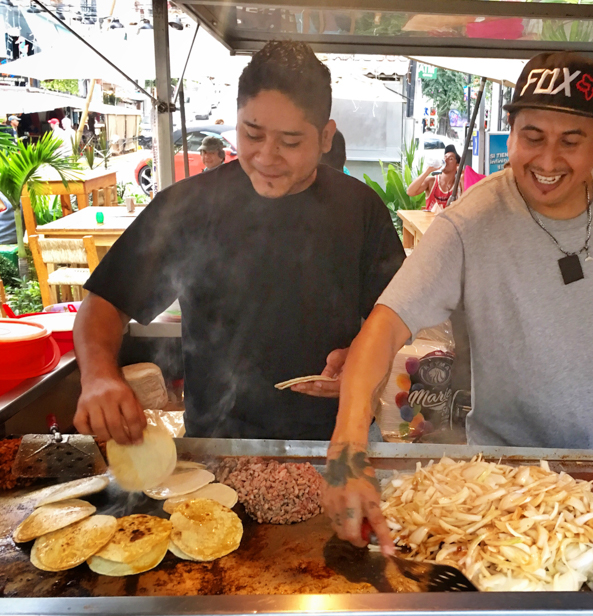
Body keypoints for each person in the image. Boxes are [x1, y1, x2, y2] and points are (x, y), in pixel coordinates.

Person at [322, 52, 593, 554]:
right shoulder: (468, 224)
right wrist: (347, 454)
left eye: (571, 141)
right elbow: (383, 328)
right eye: (532, 137)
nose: (548, 161)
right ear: (510, 131)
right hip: (501, 490)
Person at [73, 40, 405, 445]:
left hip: (336, 439)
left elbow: (394, 316)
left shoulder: (359, 207)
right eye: (253, 134)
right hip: (218, 443)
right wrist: (98, 376)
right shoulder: (188, 207)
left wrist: (363, 354)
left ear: (325, 137)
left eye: (291, 141)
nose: (267, 156)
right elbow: (104, 305)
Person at [407, 144, 463, 210]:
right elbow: (410, 192)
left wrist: (462, 175)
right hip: (430, 220)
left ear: (457, 165)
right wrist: (428, 171)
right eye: (445, 157)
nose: (446, 160)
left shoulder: (459, 185)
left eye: (450, 159)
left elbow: (467, 205)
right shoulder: (431, 181)